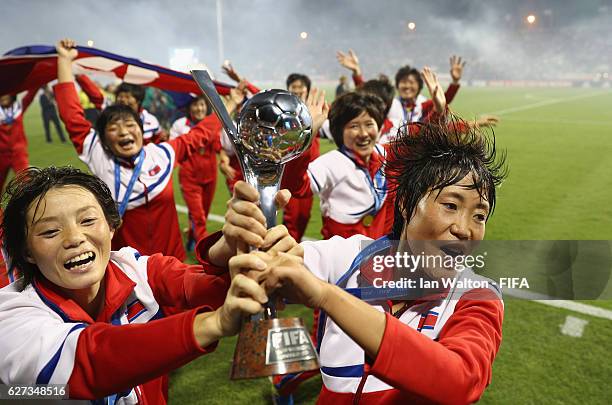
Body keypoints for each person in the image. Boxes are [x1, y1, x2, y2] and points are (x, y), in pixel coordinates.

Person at [226, 117, 508, 404]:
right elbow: (252, 269)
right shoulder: (350, 257)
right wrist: (241, 237)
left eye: (479, 216)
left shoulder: (478, 296)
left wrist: (327, 296)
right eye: (451, 205)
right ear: (406, 201)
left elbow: (461, 381)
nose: (464, 229)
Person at [0, 166, 295, 403]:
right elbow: (89, 360)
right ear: (27, 252)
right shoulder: (11, 315)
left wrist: (232, 249)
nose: (74, 238)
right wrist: (214, 323)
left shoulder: (134, 268)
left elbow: (196, 288)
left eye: (88, 220)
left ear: (112, 226)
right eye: (50, 231)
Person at [53, 38, 240, 261]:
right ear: (103, 139)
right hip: (131, 273)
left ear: (141, 131)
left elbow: (199, 134)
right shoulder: (99, 155)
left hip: (173, 266)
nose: (124, 132)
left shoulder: (160, 154)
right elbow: (72, 115)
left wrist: (229, 104)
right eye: (114, 128)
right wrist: (64, 62)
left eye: (130, 125)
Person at [287, 67, 446, 240]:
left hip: (377, 256)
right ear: (339, 131)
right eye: (354, 126)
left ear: (378, 126)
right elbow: (297, 186)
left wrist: (439, 109)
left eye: (369, 124)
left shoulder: (384, 153)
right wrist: (307, 135)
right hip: (341, 262)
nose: (363, 133)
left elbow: (426, 135)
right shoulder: (331, 163)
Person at [169, 95, 222, 249]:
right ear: (188, 108)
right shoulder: (180, 125)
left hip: (210, 176)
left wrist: (224, 161)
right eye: (195, 105)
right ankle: (205, 251)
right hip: (189, 178)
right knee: (198, 217)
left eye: (202, 105)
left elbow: (220, 147)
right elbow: (174, 148)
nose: (199, 109)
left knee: (203, 214)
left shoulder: (213, 124)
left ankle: (193, 236)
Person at [0, 88, 37, 190]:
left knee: (26, 183)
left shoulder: (19, 107)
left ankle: (30, 205)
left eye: (6, 94)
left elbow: (30, 95)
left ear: (12, 95)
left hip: (19, 153)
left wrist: (38, 82)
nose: (3, 96)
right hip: (1, 155)